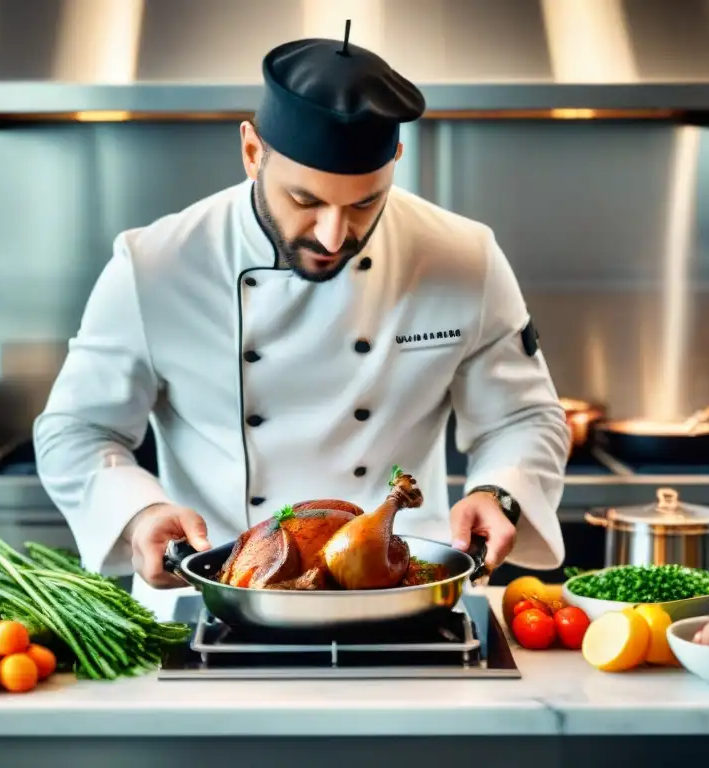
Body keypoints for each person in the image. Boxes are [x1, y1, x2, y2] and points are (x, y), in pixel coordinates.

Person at [33, 31, 571, 614]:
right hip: (218, 598)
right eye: (306, 200)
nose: (333, 236)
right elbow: (78, 432)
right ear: (251, 152)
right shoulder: (155, 265)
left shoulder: (463, 256)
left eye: (365, 203)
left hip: (406, 594)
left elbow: (524, 417)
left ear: (395, 161)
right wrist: (139, 514)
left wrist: (501, 493)